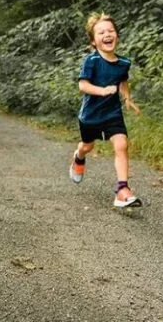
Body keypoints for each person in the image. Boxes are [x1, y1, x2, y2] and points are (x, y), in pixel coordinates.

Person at [69, 13, 142, 208]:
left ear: (117, 35)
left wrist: (127, 98)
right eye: (101, 32)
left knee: (121, 145)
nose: (107, 34)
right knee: (87, 146)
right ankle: (79, 157)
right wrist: (102, 91)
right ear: (94, 41)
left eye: (111, 31)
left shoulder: (123, 63)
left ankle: (122, 190)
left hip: (112, 114)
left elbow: (123, 82)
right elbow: (83, 85)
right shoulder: (91, 61)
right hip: (90, 115)